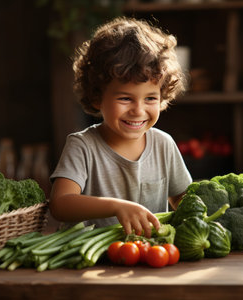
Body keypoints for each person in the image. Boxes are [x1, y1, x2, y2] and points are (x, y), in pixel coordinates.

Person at [49, 17, 192, 238]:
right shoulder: (82, 146)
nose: (138, 110)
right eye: (125, 98)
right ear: (97, 97)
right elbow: (60, 204)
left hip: (146, 257)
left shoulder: (164, 144)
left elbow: (184, 200)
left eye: (150, 98)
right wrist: (117, 207)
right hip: (90, 262)